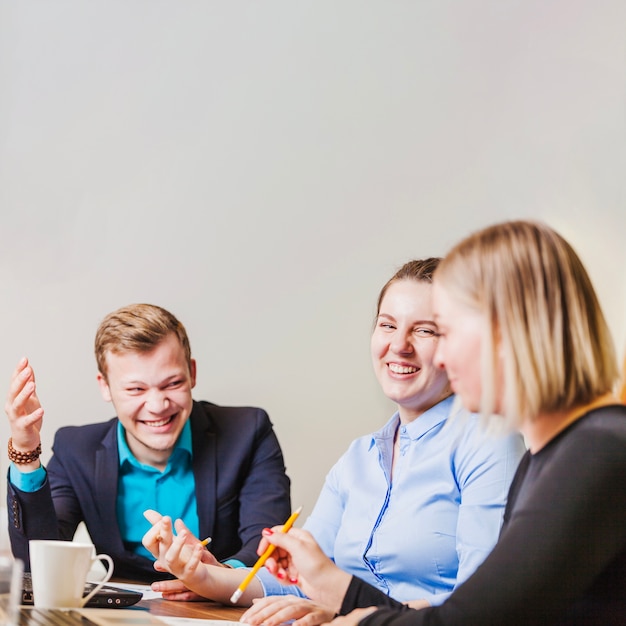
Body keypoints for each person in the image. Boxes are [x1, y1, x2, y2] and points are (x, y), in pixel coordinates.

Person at [253, 220, 626, 625]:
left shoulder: (597, 451)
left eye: (445, 332)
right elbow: (470, 613)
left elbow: (474, 621)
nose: (441, 359)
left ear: (510, 333)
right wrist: (339, 596)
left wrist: (348, 612)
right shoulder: (553, 457)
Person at [143, 259, 525, 619]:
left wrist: (352, 616)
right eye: (388, 325)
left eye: (424, 330)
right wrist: (199, 574)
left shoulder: (488, 440)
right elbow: (299, 578)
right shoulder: (359, 457)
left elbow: (484, 601)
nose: (399, 345)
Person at [5, 303, 291, 582]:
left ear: (192, 373)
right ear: (105, 386)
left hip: (219, 610)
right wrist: (26, 454)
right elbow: (36, 566)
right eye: (135, 389)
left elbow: (266, 543)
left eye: (172, 384)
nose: (157, 405)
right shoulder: (76, 449)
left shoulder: (247, 432)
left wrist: (218, 577)